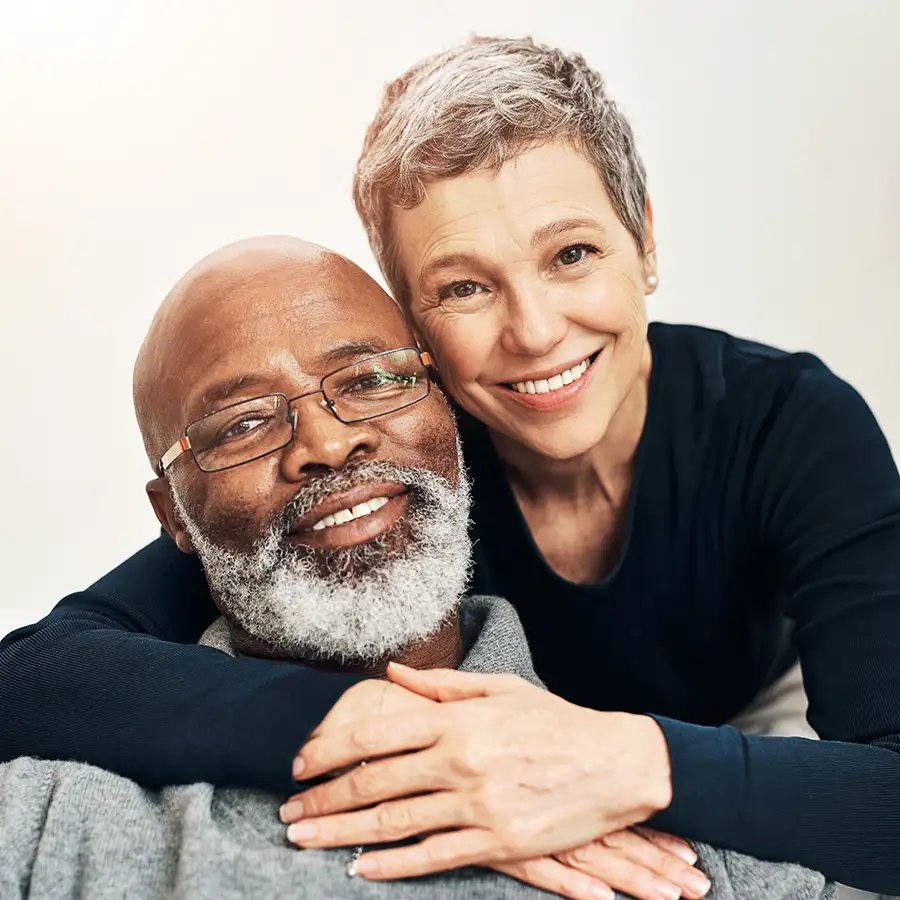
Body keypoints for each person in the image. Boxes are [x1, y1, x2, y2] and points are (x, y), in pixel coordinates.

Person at [1, 35, 898, 895]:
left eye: (573, 253)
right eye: (464, 286)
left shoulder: (789, 423)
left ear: (646, 243)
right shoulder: (395, 461)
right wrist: (370, 726)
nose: (537, 331)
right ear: (411, 324)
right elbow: (38, 674)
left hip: (733, 726)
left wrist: (620, 762)